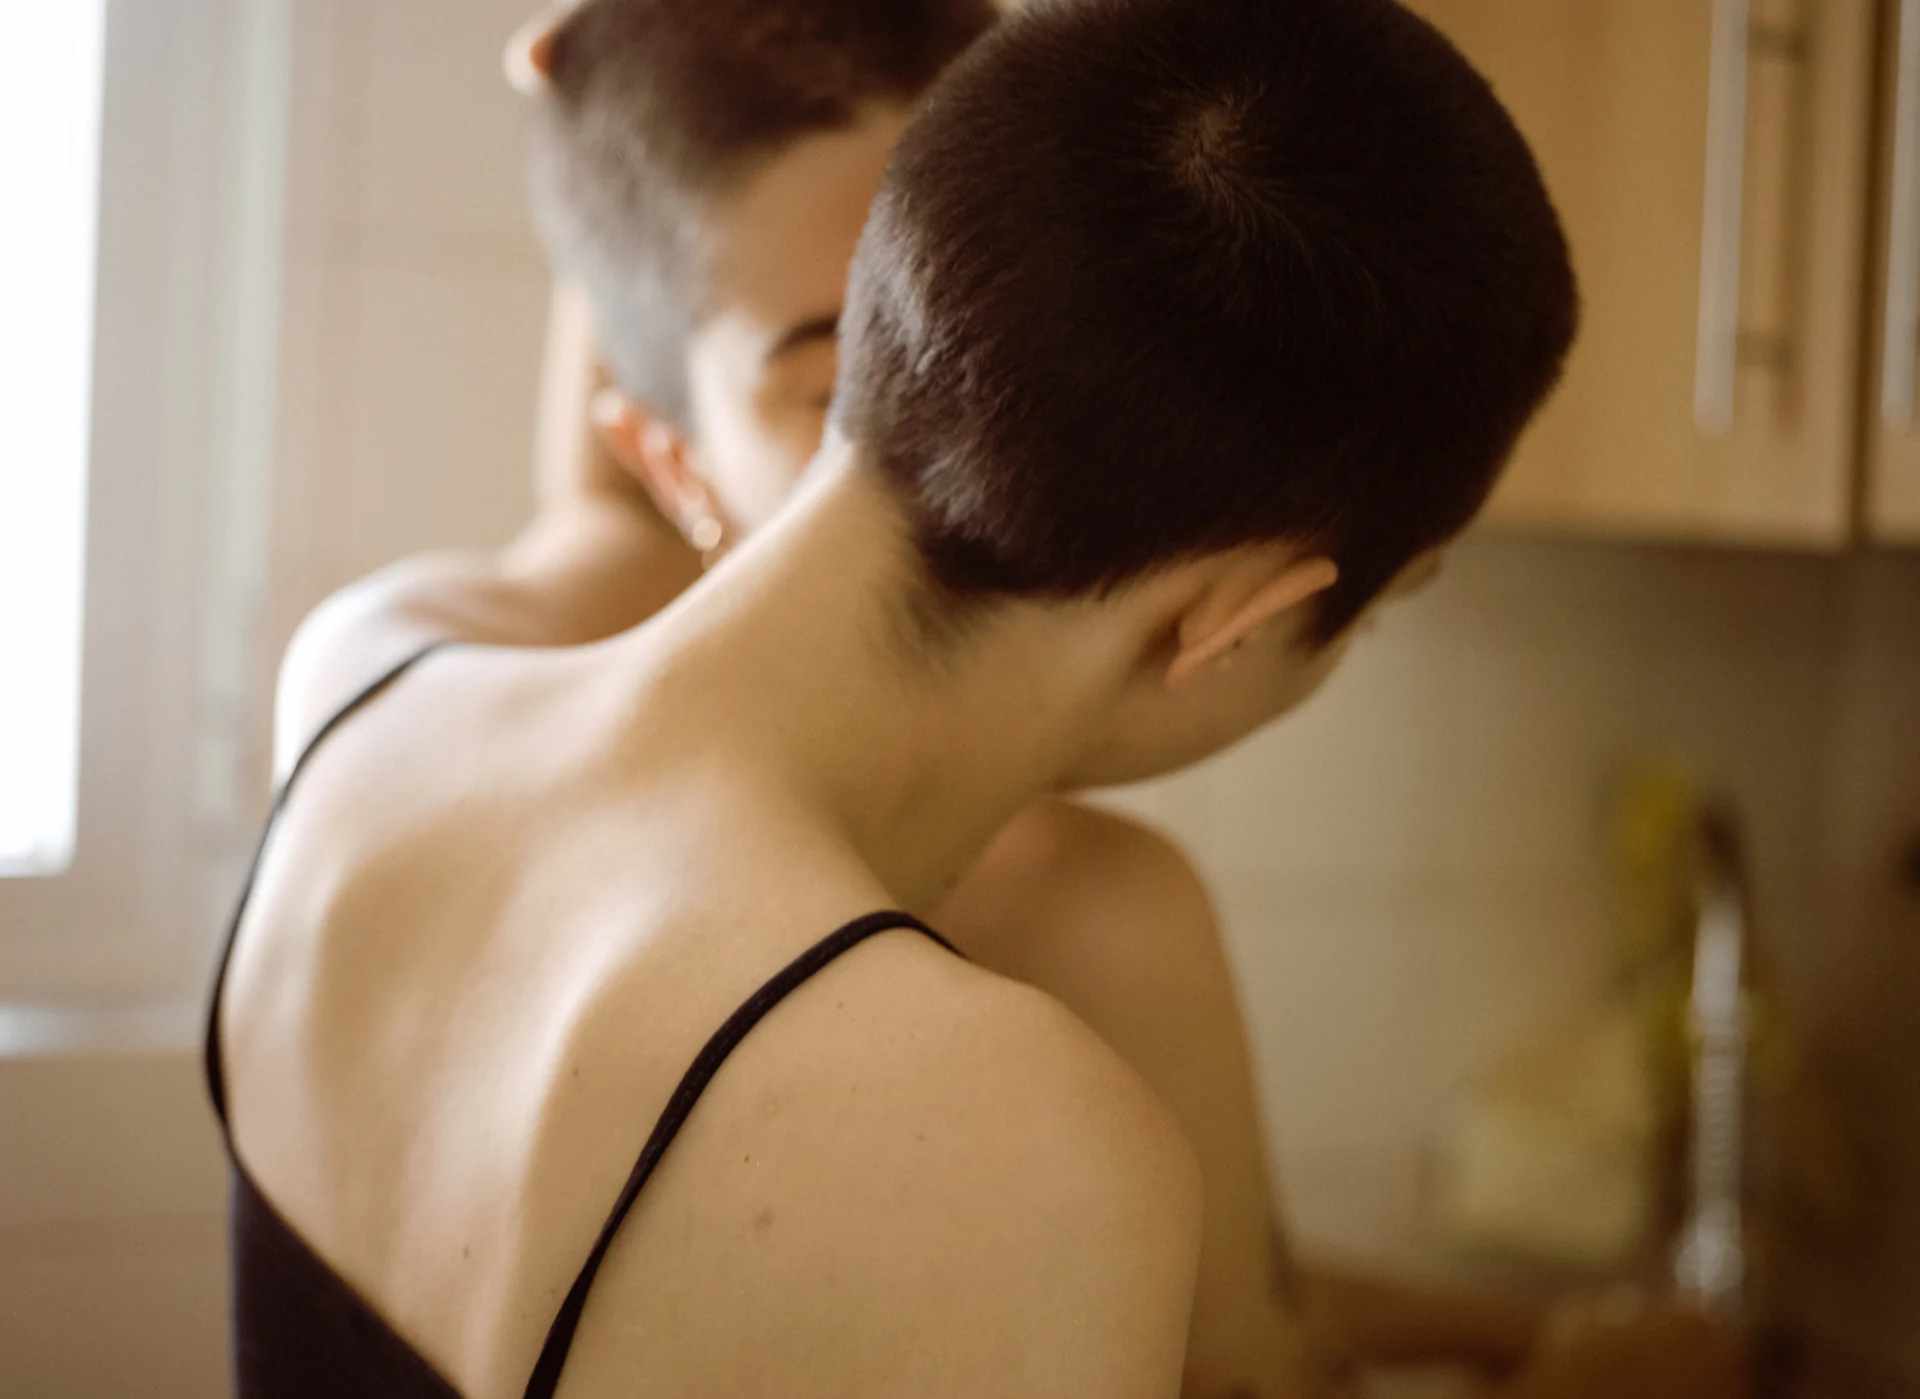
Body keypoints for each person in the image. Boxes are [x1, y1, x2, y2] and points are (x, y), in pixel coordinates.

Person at [207, 0, 1738, 1395]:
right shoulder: (1022, 1139)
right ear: (1236, 614)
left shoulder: (363, 683)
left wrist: (618, 78)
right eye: (1377, 611)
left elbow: (611, 499)